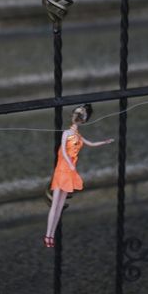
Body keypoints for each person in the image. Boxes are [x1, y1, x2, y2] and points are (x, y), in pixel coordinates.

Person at [44, 104, 114, 248]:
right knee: (55, 203)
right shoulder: (66, 133)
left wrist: (104, 142)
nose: (78, 117)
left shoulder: (78, 135)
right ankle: (48, 234)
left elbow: (91, 143)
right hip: (63, 169)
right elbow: (63, 149)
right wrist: (69, 163)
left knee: (60, 206)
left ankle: (52, 234)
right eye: (78, 114)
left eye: (81, 115)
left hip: (70, 170)